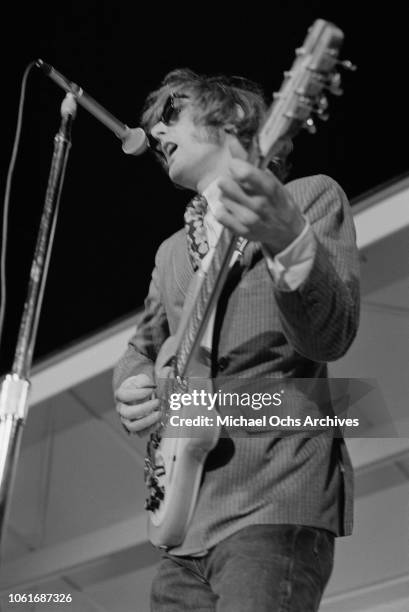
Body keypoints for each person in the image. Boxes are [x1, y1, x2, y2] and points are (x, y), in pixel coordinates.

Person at [113, 68, 360, 611]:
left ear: (232, 121)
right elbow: (141, 347)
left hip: (275, 494)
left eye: (171, 116)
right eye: (153, 125)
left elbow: (330, 335)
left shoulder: (307, 197)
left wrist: (285, 238)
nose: (154, 133)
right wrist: (131, 381)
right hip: (183, 524)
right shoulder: (169, 253)